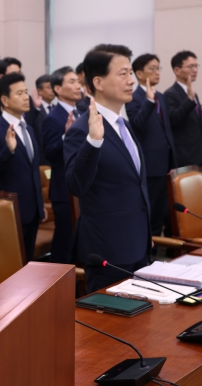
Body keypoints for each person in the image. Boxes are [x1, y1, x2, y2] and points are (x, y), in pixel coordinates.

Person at [64, 44, 150, 292]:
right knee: (109, 326)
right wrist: (93, 142)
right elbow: (76, 185)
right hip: (108, 250)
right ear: (98, 82)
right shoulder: (82, 129)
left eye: (131, 73)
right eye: (123, 74)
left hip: (138, 244)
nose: (131, 80)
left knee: (142, 326)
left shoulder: (123, 123)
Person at [0, 72, 45, 261]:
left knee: (30, 263)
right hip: (11, 212)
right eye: (19, 93)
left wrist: (40, 206)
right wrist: (7, 151)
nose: (26, 97)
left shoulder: (29, 128)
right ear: (5, 100)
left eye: (26, 92)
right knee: (14, 266)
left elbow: (32, 170)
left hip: (32, 211)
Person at [126, 54, 176, 239]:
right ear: (139, 73)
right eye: (152, 68)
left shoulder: (161, 97)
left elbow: (166, 130)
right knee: (151, 213)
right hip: (150, 165)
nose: (157, 72)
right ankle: (150, 257)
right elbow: (137, 124)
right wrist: (147, 101)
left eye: (158, 68)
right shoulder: (133, 96)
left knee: (164, 213)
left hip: (166, 164)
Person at [42, 66, 81, 264]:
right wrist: (67, 135)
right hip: (63, 190)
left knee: (80, 243)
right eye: (72, 82)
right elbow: (49, 154)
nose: (78, 86)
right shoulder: (52, 118)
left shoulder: (82, 112)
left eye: (78, 81)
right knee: (64, 242)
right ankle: (59, 285)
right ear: (58, 88)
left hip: (81, 187)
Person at [164, 50, 202, 167]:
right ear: (177, 70)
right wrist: (189, 99)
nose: (195, 70)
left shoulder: (193, 94)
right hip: (185, 156)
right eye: (191, 66)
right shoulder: (170, 94)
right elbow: (174, 119)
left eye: (196, 66)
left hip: (198, 153)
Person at [0, 57, 40, 126]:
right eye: (13, 74)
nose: (17, 77)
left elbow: (32, 123)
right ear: (1, 77)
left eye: (19, 73)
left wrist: (37, 108)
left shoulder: (27, 97)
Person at [32, 74, 55, 165]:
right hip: (41, 159)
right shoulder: (34, 110)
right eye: (49, 87)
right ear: (39, 91)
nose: (53, 90)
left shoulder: (56, 109)